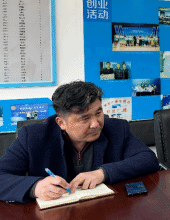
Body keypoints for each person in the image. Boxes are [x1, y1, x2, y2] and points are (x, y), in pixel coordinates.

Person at [0, 81, 159, 203]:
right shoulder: (32, 136)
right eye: (85, 118)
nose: (95, 124)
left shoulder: (116, 129)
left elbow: (148, 159)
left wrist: (103, 173)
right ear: (61, 123)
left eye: (98, 113)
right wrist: (35, 187)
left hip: (104, 213)